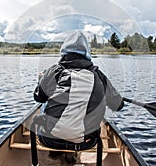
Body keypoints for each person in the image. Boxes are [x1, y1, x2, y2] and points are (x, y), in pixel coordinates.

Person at [33, 31, 124, 162]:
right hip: (86, 141)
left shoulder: (53, 70)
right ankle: (71, 153)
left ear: (63, 51)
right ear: (87, 53)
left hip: (49, 139)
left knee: (44, 104)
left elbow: (38, 98)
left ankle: (57, 153)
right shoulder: (99, 75)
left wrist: (41, 81)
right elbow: (118, 106)